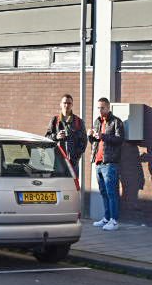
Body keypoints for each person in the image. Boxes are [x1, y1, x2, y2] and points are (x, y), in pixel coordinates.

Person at [91, 98, 125, 230]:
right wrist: (91, 136)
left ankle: (114, 221)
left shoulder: (116, 122)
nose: (100, 110)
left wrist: (102, 136)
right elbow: (95, 141)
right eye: (98, 108)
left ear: (108, 108)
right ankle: (106, 218)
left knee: (112, 193)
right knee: (103, 192)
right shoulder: (97, 121)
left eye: (102, 108)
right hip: (98, 162)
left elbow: (119, 139)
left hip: (110, 163)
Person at [44, 94, 86, 182]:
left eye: (69, 103)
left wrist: (75, 157)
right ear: (60, 104)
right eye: (64, 103)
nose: (66, 105)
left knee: (72, 186)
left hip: (72, 162)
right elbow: (46, 138)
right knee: (56, 184)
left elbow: (83, 142)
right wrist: (56, 136)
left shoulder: (78, 121)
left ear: (72, 105)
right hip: (57, 161)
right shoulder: (55, 120)